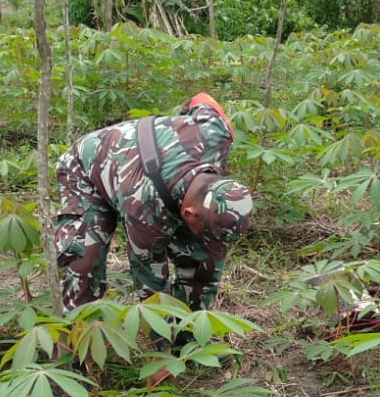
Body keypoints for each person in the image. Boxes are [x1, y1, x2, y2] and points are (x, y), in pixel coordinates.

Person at [54, 93, 254, 313]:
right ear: (189, 214)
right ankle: (74, 335)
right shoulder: (144, 208)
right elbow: (151, 287)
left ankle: (188, 337)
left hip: (151, 179)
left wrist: (172, 131)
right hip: (87, 169)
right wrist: (162, 339)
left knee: (203, 263)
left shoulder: (216, 135)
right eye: (205, 232)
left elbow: (203, 99)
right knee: (85, 261)